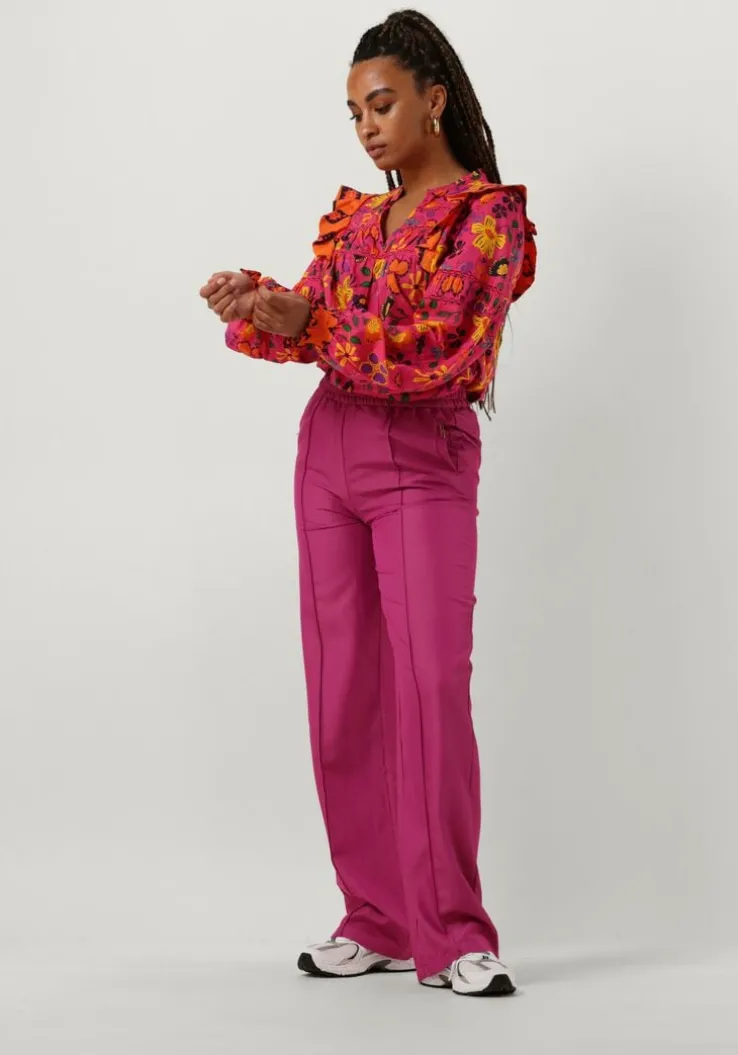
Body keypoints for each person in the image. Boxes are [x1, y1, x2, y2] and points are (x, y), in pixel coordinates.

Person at [199, 9, 537, 997]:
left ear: (434, 99)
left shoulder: (489, 220)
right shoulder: (356, 223)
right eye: (353, 113)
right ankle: (378, 916)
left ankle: (454, 930)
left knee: (430, 686)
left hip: (422, 456)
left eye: (381, 104)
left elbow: (442, 350)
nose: (367, 128)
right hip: (329, 453)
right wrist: (264, 304)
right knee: (342, 691)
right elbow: (314, 323)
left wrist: (312, 321)